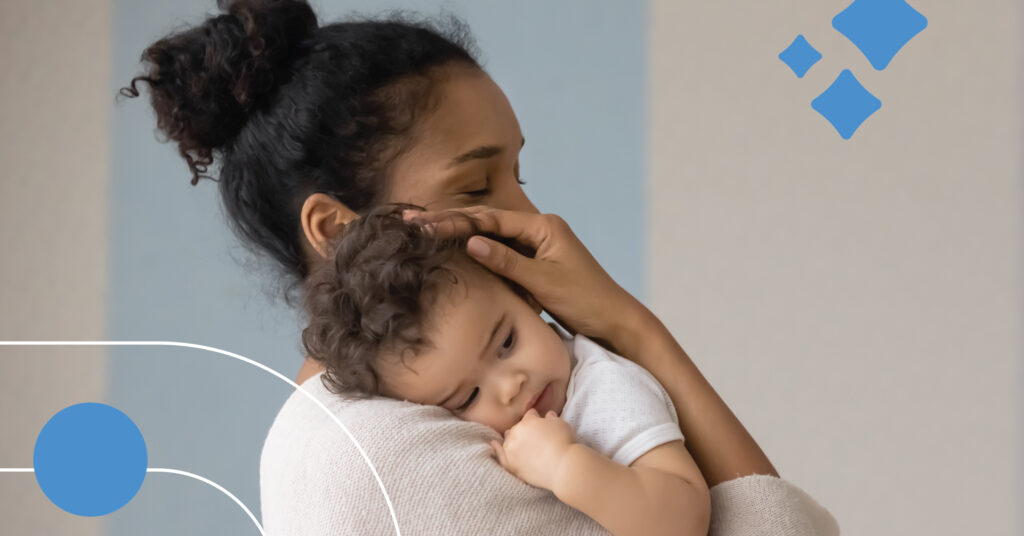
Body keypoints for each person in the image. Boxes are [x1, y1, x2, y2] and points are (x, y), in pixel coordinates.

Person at [122, 0, 839, 534]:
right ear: (338, 231)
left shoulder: (375, 421)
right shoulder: (385, 462)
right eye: (476, 186)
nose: (538, 222)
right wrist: (632, 328)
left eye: (520, 175)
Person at [301, 206, 711, 536]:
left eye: (507, 343)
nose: (510, 386)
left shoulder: (605, 389)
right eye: (468, 397)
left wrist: (565, 467)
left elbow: (686, 517)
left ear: (527, 296)